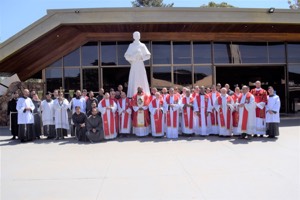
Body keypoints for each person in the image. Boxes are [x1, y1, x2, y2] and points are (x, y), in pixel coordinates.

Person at [125, 31, 151, 98]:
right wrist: (133, 57)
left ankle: (144, 94)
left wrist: (141, 57)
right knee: (134, 77)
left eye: (138, 35)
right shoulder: (131, 45)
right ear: (133, 37)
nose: (137, 36)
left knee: (142, 77)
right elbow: (126, 56)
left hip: (140, 64)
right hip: (134, 64)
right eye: (135, 35)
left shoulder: (142, 45)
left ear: (140, 36)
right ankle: (133, 95)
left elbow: (148, 55)